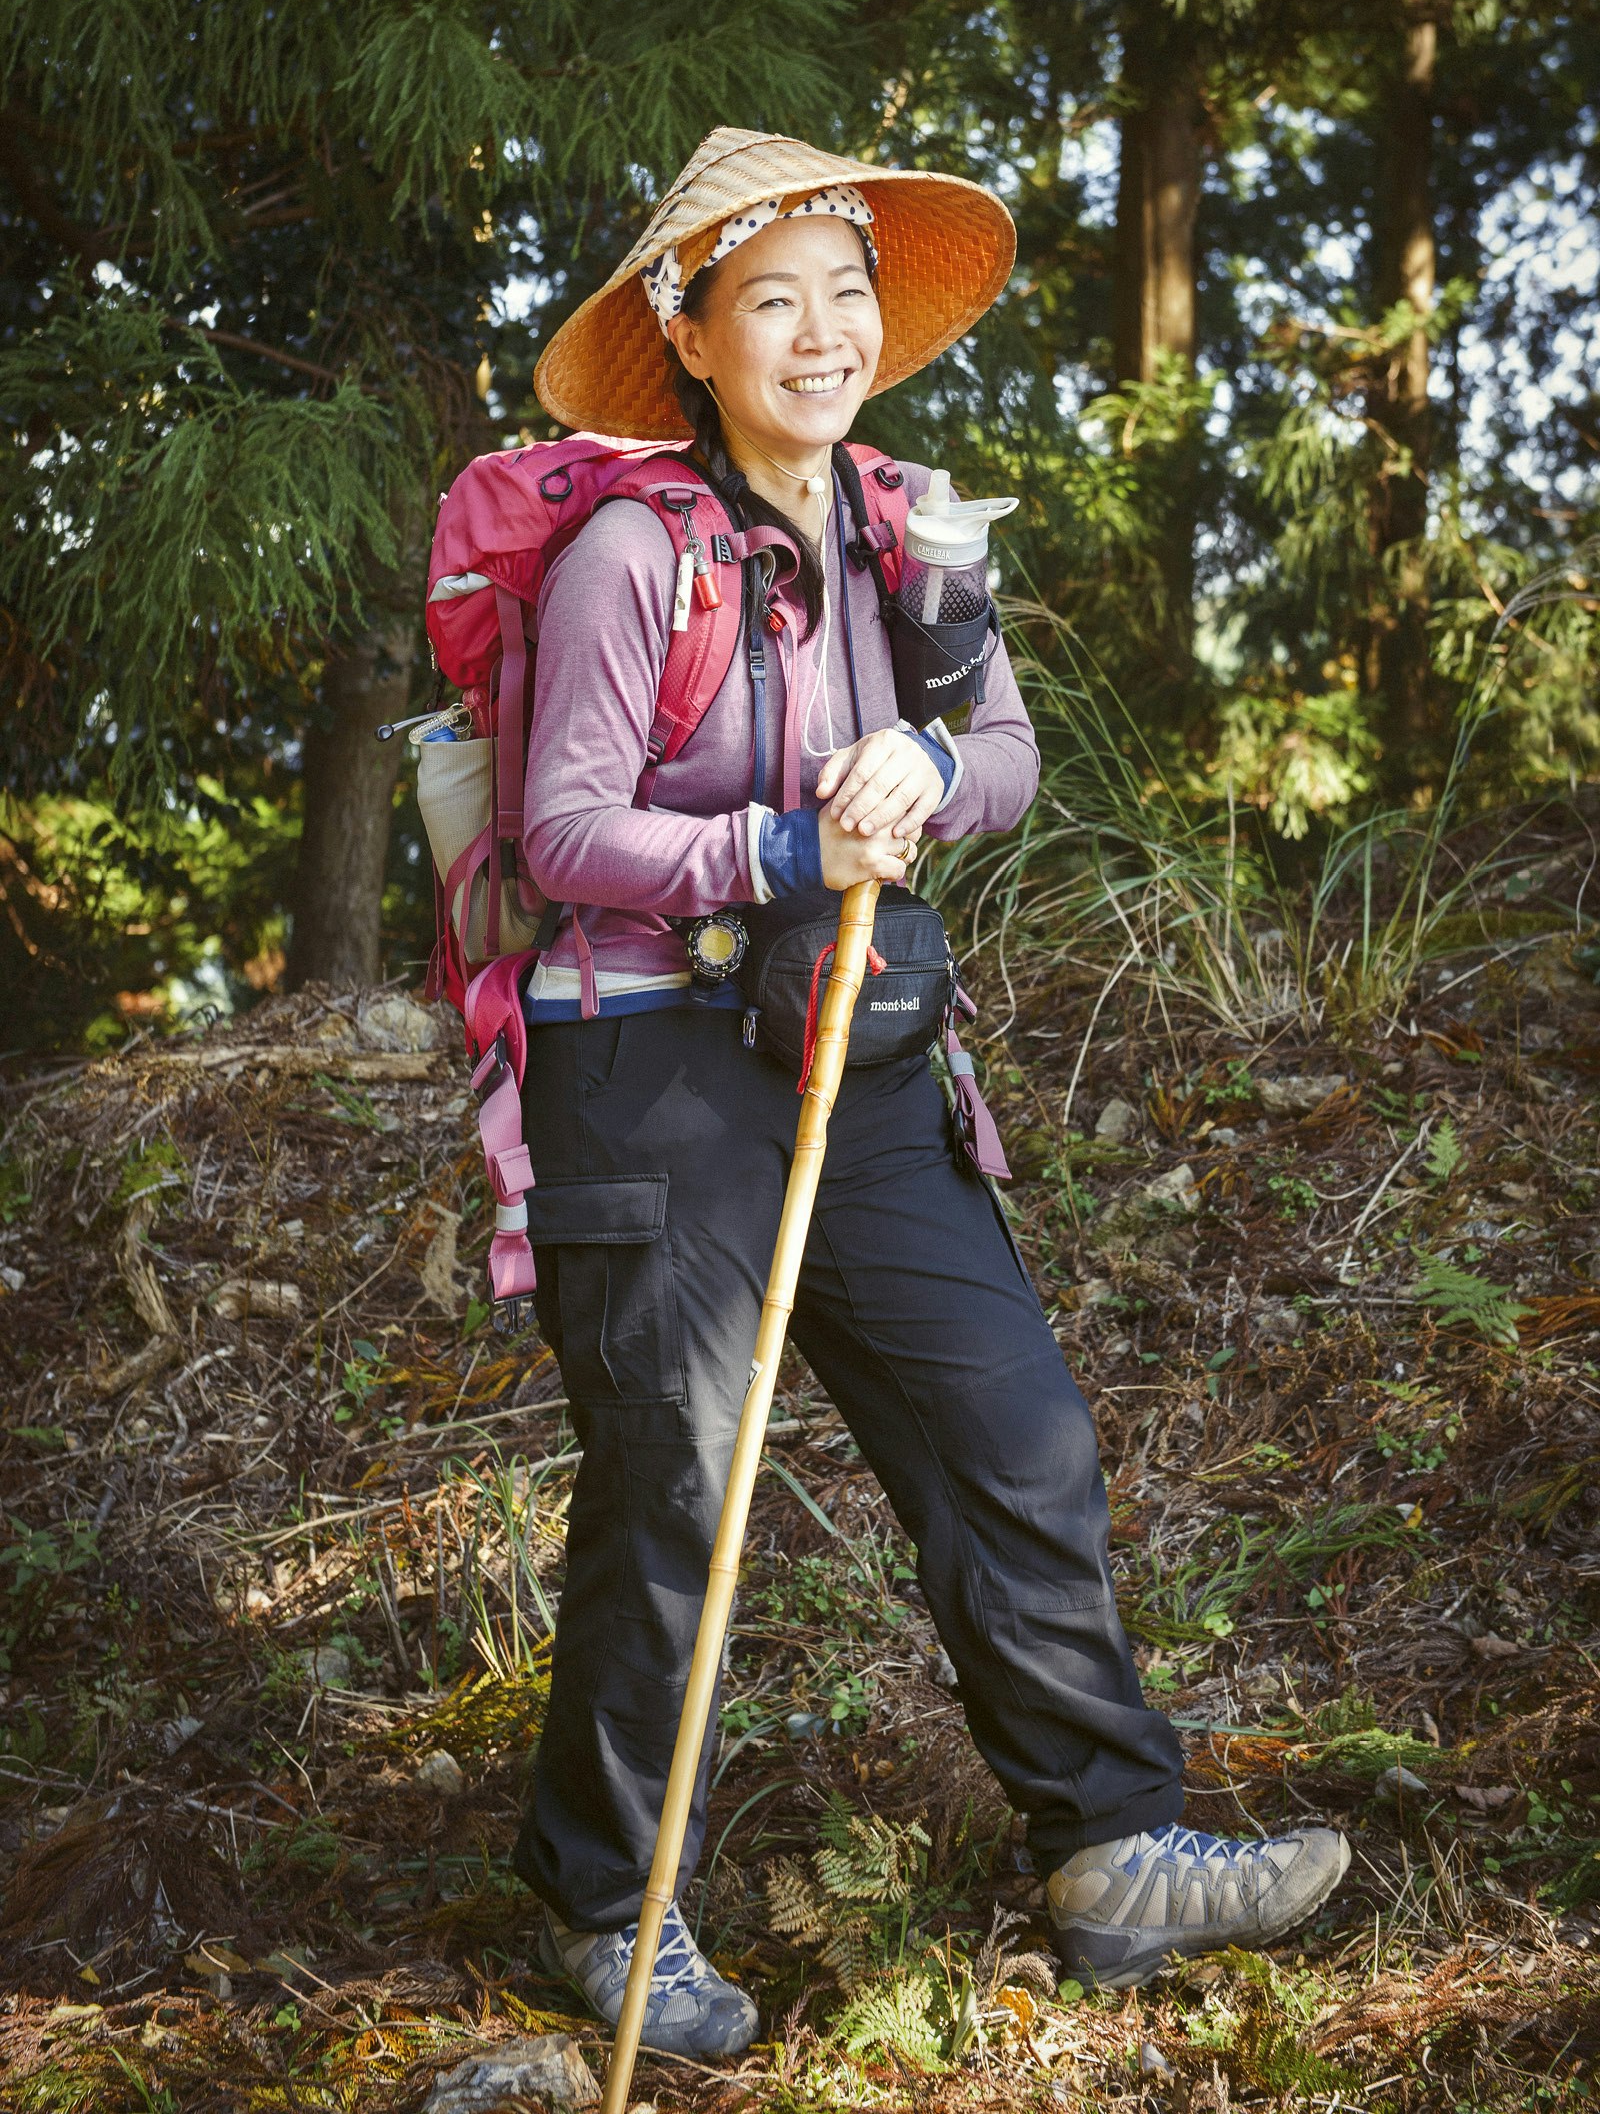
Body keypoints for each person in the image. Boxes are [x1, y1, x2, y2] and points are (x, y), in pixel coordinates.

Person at [510, 128, 1348, 2055]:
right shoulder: (635, 557)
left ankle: (1117, 1853)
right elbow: (565, 832)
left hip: (862, 1050)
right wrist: (791, 848)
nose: (823, 331)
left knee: (1015, 1428)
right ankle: (606, 1913)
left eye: (849, 288)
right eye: (773, 295)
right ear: (690, 332)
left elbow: (1012, 759)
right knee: (680, 1494)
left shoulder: (909, 532)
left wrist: (924, 778)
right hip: (647, 1070)